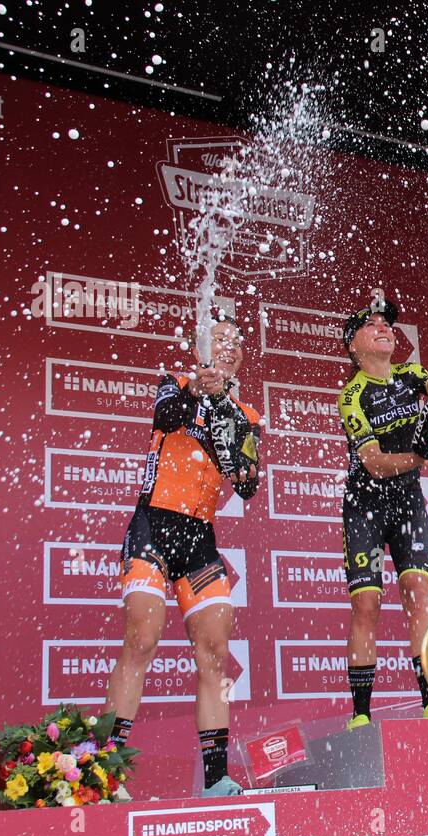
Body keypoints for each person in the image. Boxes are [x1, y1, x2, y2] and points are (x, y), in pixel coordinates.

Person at [105, 316, 260, 798]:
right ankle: (107, 772)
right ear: (200, 350)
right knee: (141, 641)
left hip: (200, 540)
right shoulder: (173, 384)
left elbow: (249, 484)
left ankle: (216, 779)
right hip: (153, 525)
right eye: (221, 341)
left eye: (237, 343)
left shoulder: (244, 414)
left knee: (214, 656)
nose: (229, 348)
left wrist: (226, 423)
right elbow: (167, 418)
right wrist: (199, 387)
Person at [338, 296, 428, 729]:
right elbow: (375, 462)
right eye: (372, 325)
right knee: (367, 605)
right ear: (353, 346)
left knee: (419, 594)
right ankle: (361, 713)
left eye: (387, 323)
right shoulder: (351, 395)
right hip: (365, 505)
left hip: (407, 504)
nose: (384, 327)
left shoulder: (412, 374)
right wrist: (423, 457)